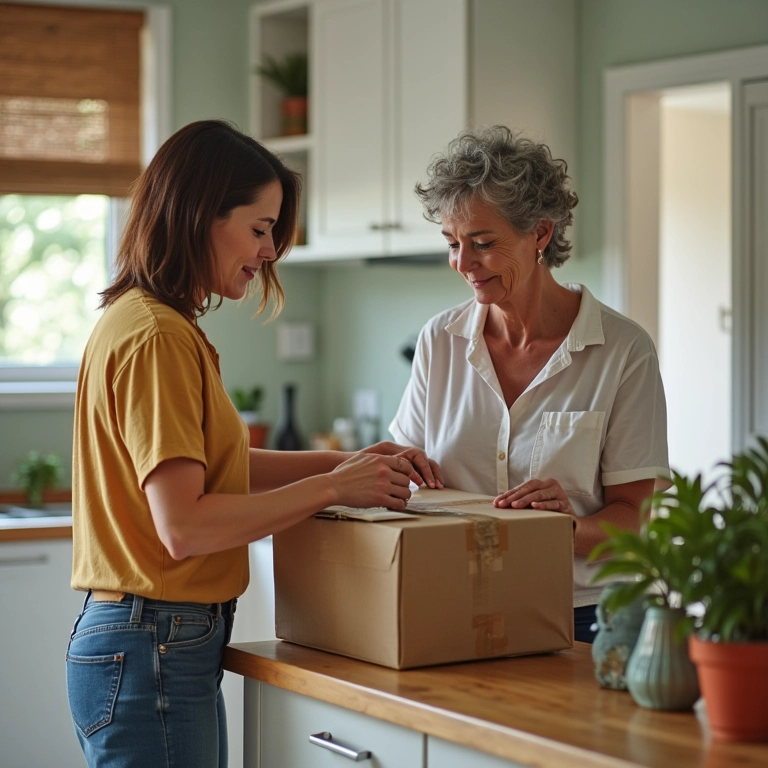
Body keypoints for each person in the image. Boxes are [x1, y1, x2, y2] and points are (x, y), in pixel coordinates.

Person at [66, 119, 443, 768]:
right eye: (260, 228)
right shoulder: (158, 337)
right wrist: (331, 488)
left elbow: (216, 470)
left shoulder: (143, 321)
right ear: (198, 216)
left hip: (154, 639)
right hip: (156, 639)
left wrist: (344, 461)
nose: (269, 252)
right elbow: (183, 525)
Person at [389, 125, 669, 643]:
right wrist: (393, 470)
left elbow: (635, 522)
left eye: (483, 243)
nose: (464, 264)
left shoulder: (623, 350)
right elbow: (404, 469)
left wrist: (564, 526)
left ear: (540, 233)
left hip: (584, 619)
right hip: (452, 604)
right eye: (452, 244)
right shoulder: (440, 340)